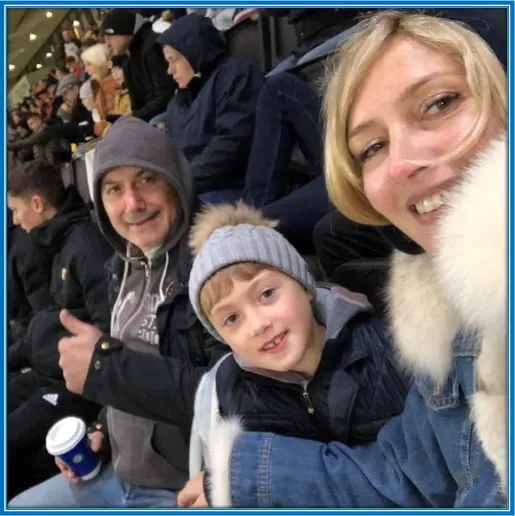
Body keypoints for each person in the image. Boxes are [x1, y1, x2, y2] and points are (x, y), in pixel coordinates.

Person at [177, 10, 507, 508]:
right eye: (371, 146)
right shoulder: (438, 325)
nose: (400, 162)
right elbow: (403, 474)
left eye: (440, 102)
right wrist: (237, 470)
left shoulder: (380, 349)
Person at [9, 116, 229, 508]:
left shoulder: (217, 265)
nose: (132, 204)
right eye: (114, 189)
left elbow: (233, 393)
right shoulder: (121, 266)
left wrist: (105, 369)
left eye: (147, 180)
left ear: (175, 181)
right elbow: (126, 376)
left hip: (182, 488)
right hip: (116, 469)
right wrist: (102, 430)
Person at [186, 202, 410, 476]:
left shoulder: (390, 352)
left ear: (304, 286)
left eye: (267, 294)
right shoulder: (231, 397)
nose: (258, 325)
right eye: (232, 319)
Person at [7, 162, 113, 499]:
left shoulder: (85, 247)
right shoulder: (55, 242)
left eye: (16, 210)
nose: (14, 220)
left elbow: (109, 334)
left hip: (73, 386)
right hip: (46, 371)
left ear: (37, 204)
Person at [158, 14, 264, 203]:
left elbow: (229, 145)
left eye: (173, 60)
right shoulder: (181, 99)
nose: (169, 70)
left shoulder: (236, 76)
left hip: (235, 187)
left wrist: (183, 184)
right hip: (196, 188)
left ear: (194, 52)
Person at [100, 9, 176, 123]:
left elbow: (166, 96)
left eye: (109, 38)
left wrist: (133, 119)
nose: (107, 45)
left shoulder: (152, 47)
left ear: (123, 32)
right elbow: (137, 105)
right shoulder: (127, 61)